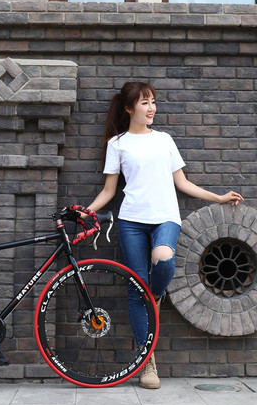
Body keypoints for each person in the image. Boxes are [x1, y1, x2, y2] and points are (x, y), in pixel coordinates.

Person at [84, 81, 243, 389]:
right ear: (130, 108)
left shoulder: (164, 140)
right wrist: (87, 213)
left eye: (153, 102)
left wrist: (219, 197)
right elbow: (109, 191)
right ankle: (147, 362)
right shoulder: (118, 144)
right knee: (134, 288)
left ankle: (154, 296)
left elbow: (182, 183)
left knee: (164, 259)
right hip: (131, 221)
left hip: (165, 218)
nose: (152, 107)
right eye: (145, 103)